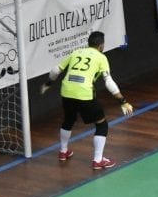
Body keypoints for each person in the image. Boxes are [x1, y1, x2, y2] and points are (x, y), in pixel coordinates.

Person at [40, 30, 133, 170]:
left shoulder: (76, 53)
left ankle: (63, 152)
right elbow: (109, 82)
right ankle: (98, 160)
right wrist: (122, 100)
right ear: (101, 46)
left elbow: (55, 70)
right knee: (102, 125)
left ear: (88, 43)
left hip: (66, 91)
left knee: (69, 119)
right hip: (84, 94)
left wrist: (48, 84)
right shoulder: (101, 58)